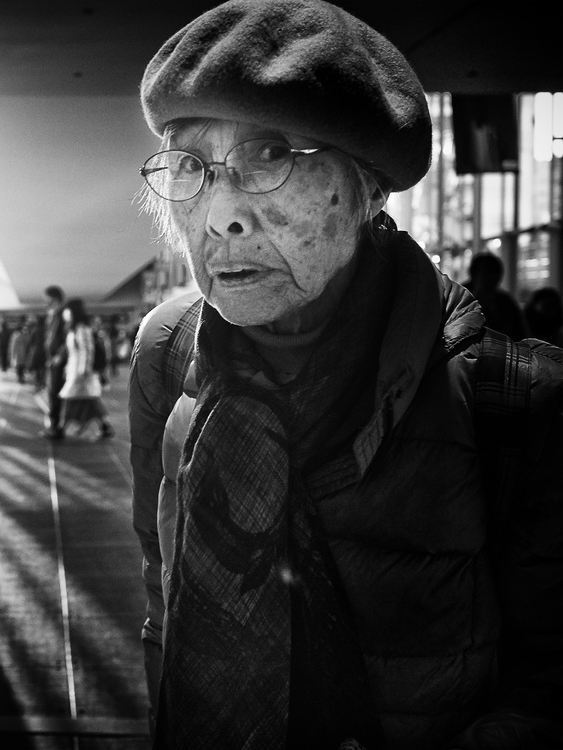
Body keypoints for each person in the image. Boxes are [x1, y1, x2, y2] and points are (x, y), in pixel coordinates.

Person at [128, 2, 563, 748]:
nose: (222, 213)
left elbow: (549, 681)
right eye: (193, 166)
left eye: (269, 155)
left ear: (369, 191)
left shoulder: (516, 398)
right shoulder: (168, 350)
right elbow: (163, 598)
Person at [58, 299, 114, 439]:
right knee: (88, 400)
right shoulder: (74, 328)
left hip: (81, 372)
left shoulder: (82, 328)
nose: (65, 313)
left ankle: (61, 427)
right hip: (75, 370)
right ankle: (104, 426)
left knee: (73, 399)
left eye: (67, 310)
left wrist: (84, 369)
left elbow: (86, 350)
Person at [464, 252, 528, 341]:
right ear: (474, 274)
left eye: (496, 273)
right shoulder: (461, 300)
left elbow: (520, 334)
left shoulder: (506, 302)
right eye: (487, 272)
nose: (493, 277)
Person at [42, 285, 68, 440]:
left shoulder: (62, 315)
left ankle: (55, 426)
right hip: (52, 360)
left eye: (47, 298)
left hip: (58, 361)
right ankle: (54, 424)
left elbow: (66, 336)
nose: (45, 301)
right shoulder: (52, 315)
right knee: (52, 392)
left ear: (55, 298)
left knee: (55, 392)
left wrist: (59, 355)